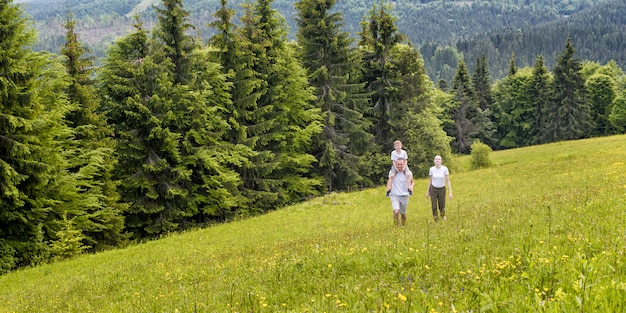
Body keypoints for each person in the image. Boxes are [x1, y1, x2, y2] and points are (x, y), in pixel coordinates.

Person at [425, 155, 452, 222]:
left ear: (441, 161)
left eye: (439, 159)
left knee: (442, 204)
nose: (437, 160)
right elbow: (430, 180)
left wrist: (450, 192)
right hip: (433, 189)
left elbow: (447, 180)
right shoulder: (432, 169)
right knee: (434, 205)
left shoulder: (444, 169)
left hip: (442, 189)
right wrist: (427, 191)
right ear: (434, 161)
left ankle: (443, 216)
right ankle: (435, 217)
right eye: (436, 159)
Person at [388, 158, 414, 226]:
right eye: (398, 164)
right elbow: (389, 181)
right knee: (396, 211)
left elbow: (412, 182)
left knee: (403, 214)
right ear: (395, 165)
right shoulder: (392, 173)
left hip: (404, 195)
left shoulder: (408, 173)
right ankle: (396, 226)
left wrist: (411, 187)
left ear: (404, 164)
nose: (399, 166)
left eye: (401, 164)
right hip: (394, 195)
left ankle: (403, 226)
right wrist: (388, 188)